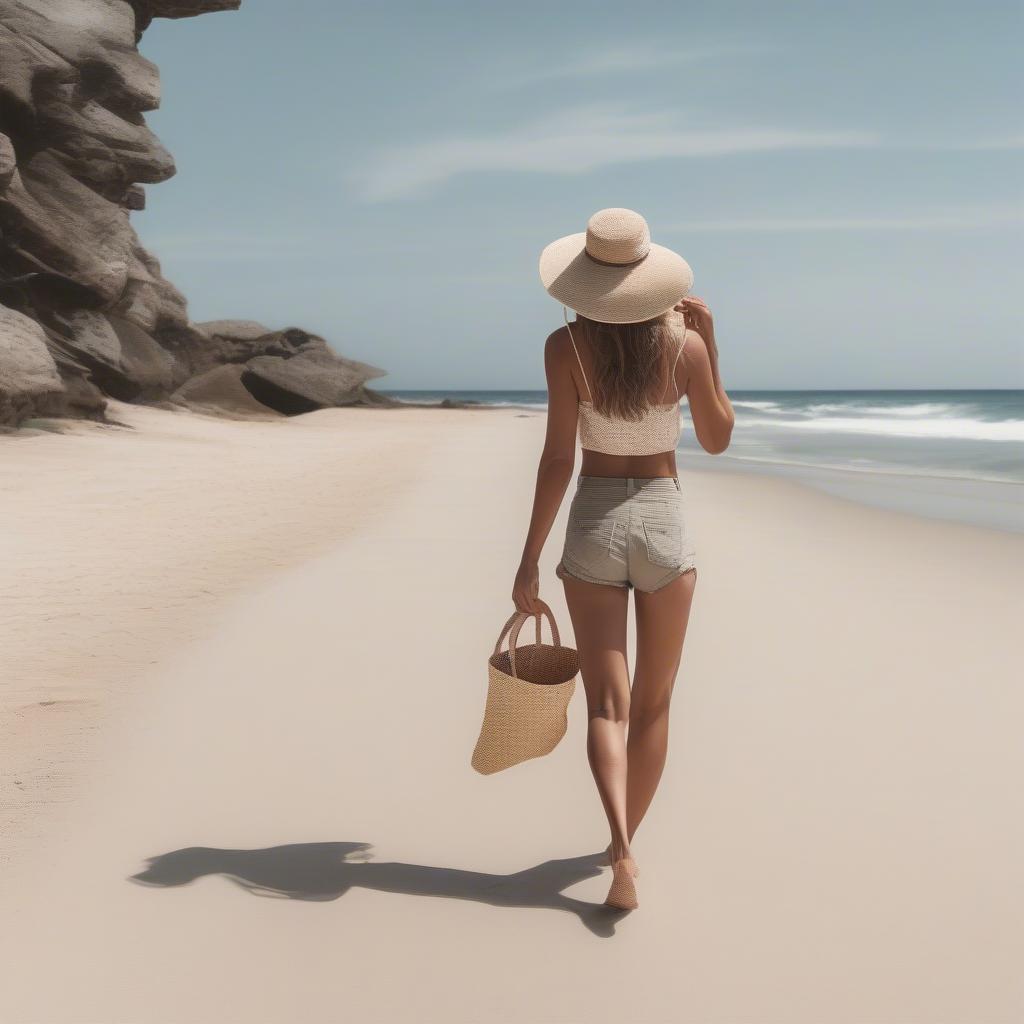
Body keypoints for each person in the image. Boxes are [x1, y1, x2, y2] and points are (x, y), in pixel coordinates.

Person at [512, 208, 735, 911]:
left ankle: (621, 845)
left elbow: (556, 458)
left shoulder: (563, 348)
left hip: (593, 522)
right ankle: (621, 851)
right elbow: (720, 438)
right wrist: (712, 345)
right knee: (654, 703)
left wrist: (528, 560)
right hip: (663, 519)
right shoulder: (684, 348)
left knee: (606, 706)